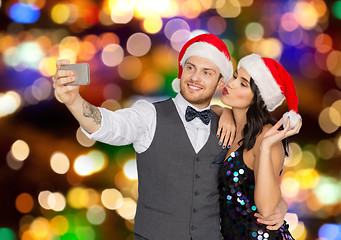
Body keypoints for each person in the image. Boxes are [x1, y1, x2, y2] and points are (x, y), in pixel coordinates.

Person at [53, 34, 287, 240]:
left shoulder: (231, 126)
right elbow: (108, 125)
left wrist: (280, 205)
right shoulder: (149, 114)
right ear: (182, 70)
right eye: (191, 68)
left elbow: (251, 180)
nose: (195, 77)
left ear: (220, 83)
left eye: (207, 72)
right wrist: (74, 101)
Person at [216, 53, 302, 239]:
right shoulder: (227, 122)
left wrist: (265, 148)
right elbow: (204, 109)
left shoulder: (267, 136)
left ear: (258, 98)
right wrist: (224, 112)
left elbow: (268, 209)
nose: (231, 83)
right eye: (236, 75)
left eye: (243, 84)